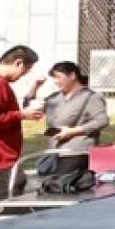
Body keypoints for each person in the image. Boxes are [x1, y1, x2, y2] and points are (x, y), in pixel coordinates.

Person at [33, 61, 108, 192]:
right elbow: (31, 109)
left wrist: (73, 131)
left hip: (77, 151)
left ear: (72, 75)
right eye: (54, 78)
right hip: (55, 152)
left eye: (58, 77)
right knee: (48, 185)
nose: (56, 81)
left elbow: (102, 121)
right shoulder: (54, 98)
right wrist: (34, 88)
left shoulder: (91, 97)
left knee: (57, 186)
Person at [0, 44, 42, 191]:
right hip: (1, 158)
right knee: (11, 189)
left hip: (3, 157)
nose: (23, 75)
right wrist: (22, 114)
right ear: (18, 63)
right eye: (26, 70)